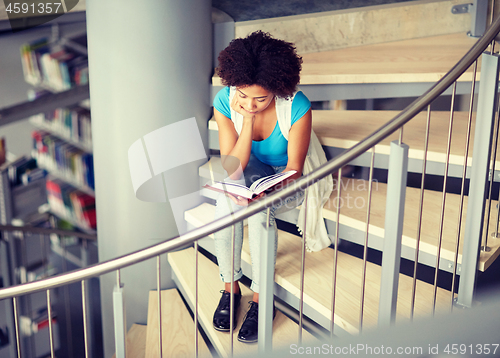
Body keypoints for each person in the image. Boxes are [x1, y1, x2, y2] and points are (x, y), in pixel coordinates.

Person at [211, 31, 312, 343]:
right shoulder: (225, 102)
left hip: (284, 177)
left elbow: (295, 169)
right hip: (251, 170)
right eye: (242, 94)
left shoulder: (297, 106)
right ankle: (231, 288)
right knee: (225, 202)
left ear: (276, 91)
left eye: (260, 99)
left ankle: (261, 297)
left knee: (258, 209)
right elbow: (235, 167)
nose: (248, 104)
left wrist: (265, 192)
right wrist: (250, 122)